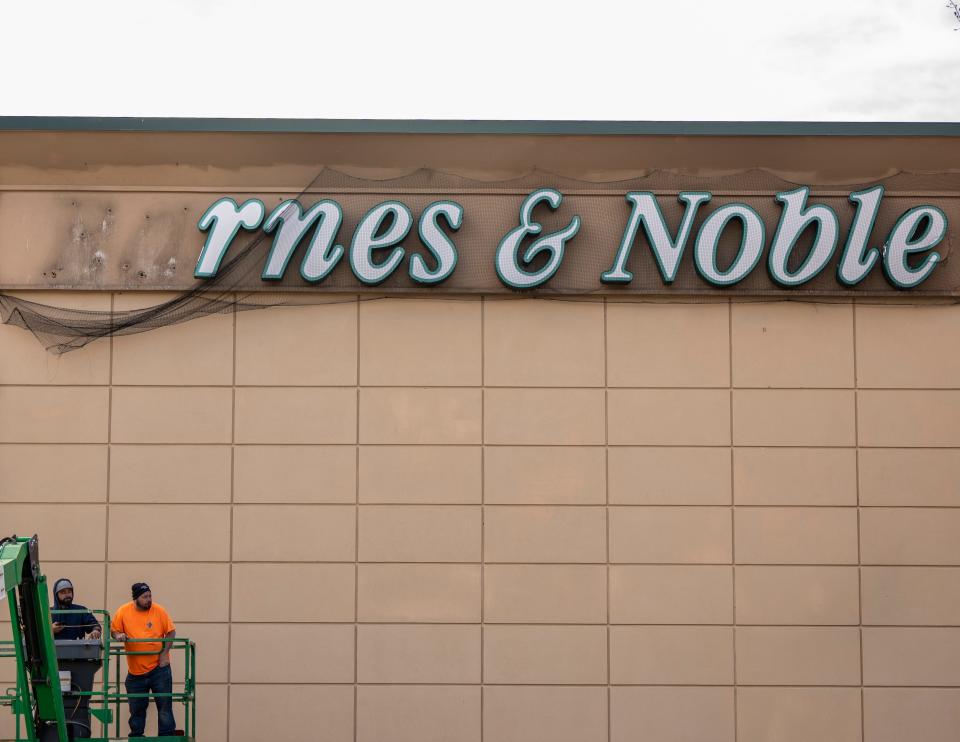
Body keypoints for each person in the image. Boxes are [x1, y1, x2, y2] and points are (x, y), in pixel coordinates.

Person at [110, 583, 177, 738]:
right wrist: (119, 635)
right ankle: (136, 736)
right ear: (136, 599)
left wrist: (164, 654)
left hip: (159, 669)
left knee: (165, 706)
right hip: (135, 673)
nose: (149, 600)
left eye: (150, 596)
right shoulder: (123, 611)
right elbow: (114, 630)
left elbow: (171, 632)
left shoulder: (159, 611)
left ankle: (166, 738)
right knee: (136, 709)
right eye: (145, 597)